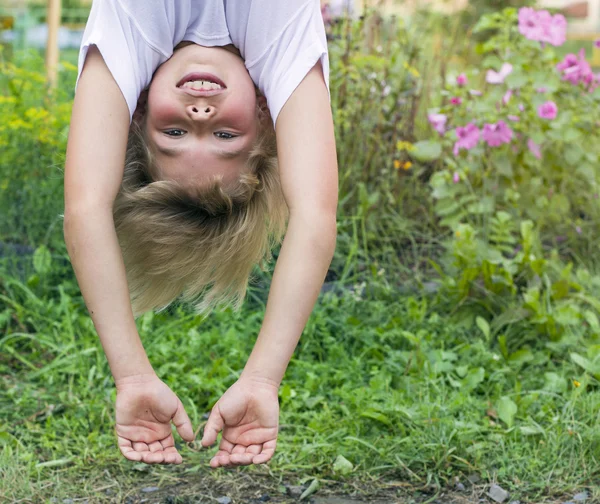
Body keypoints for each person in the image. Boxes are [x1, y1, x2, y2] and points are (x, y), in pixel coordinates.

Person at [63, 0, 338, 468]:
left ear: (139, 111)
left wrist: (131, 377)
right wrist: (262, 380)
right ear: (264, 116)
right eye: (226, 136)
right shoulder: (282, 36)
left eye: (173, 130)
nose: (201, 112)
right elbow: (314, 213)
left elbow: (86, 207)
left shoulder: (130, 27)